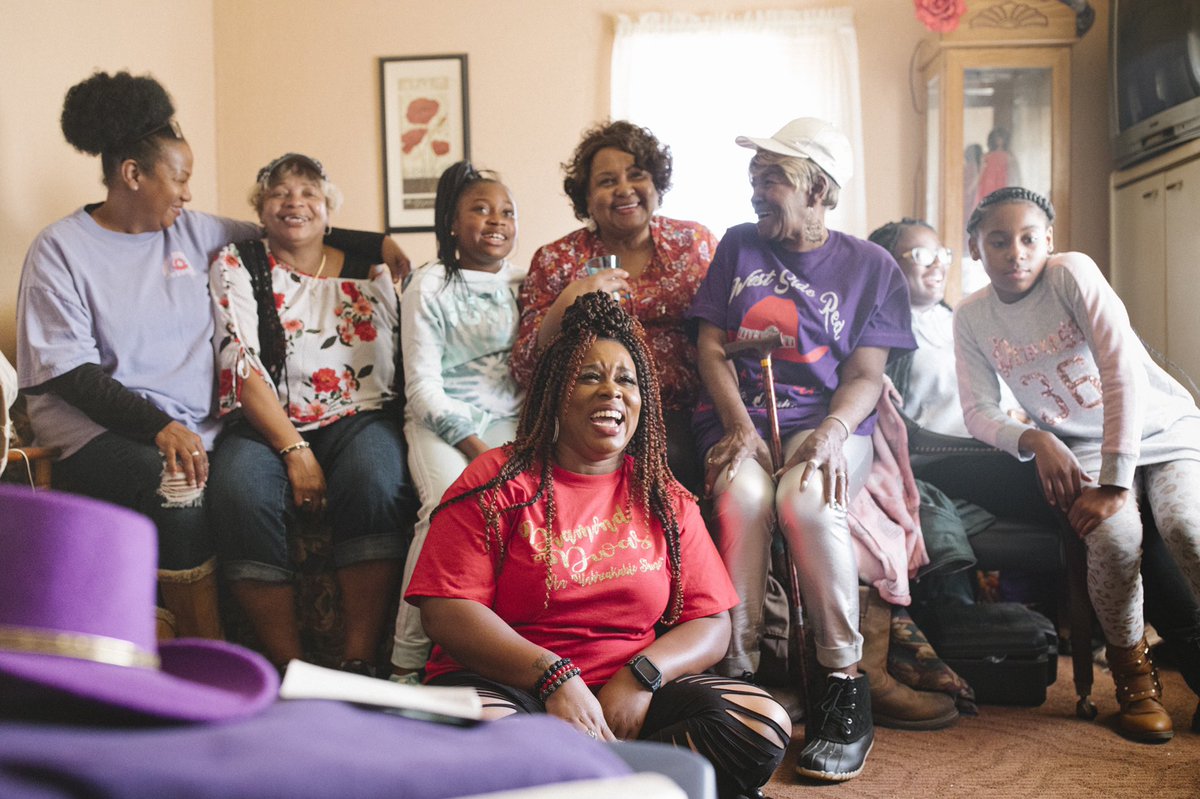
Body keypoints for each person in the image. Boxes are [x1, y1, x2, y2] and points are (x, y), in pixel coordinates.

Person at [14, 71, 405, 640]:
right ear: (133, 175)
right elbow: (73, 375)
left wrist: (378, 243)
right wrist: (161, 428)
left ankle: (262, 654)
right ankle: (205, 646)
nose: (188, 193)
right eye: (180, 178)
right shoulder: (60, 249)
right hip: (99, 432)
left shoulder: (195, 233)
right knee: (180, 482)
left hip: (197, 429)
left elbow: (290, 228)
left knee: (233, 478)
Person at [406, 291, 791, 799]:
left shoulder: (663, 494)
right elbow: (447, 610)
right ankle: (632, 782)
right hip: (510, 686)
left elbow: (710, 623)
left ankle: (580, 780)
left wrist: (641, 675)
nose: (612, 391)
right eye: (590, 376)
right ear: (554, 392)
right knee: (488, 739)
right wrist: (552, 677)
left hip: (629, 696)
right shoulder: (495, 480)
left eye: (626, 380)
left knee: (764, 721)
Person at [872, 218, 1200, 711]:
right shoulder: (884, 336)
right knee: (1118, 517)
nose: (936, 264)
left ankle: (1161, 663)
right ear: (886, 266)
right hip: (966, 462)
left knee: (1149, 515)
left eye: (938, 252)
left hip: (1025, 449)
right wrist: (1033, 438)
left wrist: (1036, 427)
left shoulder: (952, 316)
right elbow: (927, 426)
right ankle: (1171, 663)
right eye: (919, 256)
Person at [688, 118, 917, 782]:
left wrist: (829, 435)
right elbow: (710, 348)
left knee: (809, 502)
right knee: (744, 494)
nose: (756, 190)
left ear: (819, 188)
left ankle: (843, 682)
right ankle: (740, 677)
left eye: (772, 177)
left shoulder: (872, 267)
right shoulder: (736, 246)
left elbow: (866, 377)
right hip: (740, 417)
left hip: (833, 425)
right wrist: (740, 428)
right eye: (754, 176)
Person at [954, 186, 1200, 742]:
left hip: (1161, 427)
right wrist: (1035, 440)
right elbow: (977, 411)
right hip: (1080, 445)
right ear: (975, 247)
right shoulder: (971, 316)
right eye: (998, 240)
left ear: (1049, 242)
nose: (1015, 252)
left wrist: (1116, 479)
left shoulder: (1072, 274)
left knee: (1187, 527)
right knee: (1113, 541)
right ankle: (1135, 683)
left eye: (1028, 239)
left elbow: (1121, 373)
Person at [206, 153, 413, 676]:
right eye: (279, 194)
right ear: (261, 209)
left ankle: (360, 658)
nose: (294, 202)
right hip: (266, 419)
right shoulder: (239, 263)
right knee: (238, 490)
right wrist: (294, 449)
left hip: (359, 414)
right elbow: (241, 359)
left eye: (308, 195)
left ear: (328, 211)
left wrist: (378, 240)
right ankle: (290, 666)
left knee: (377, 478)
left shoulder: (375, 267)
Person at [511, 120, 717, 493]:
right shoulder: (558, 259)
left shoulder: (694, 243)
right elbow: (526, 365)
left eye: (636, 175)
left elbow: (724, 333)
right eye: (607, 181)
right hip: (596, 414)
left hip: (689, 412)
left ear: (655, 184)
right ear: (586, 199)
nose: (624, 189)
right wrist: (569, 299)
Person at [389, 161, 525, 680]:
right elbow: (422, 388)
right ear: (452, 222)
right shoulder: (428, 285)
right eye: (481, 209)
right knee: (446, 507)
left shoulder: (525, 282)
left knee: (522, 505)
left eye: (507, 212)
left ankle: (498, 658)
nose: (497, 221)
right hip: (444, 422)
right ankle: (405, 663)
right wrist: (474, 449)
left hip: (510, 420)